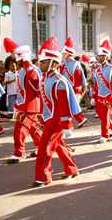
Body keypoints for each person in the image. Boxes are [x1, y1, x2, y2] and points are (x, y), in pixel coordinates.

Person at [32, 36, 79, 187]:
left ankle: (43, 177)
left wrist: (67, 126)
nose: (40, 64)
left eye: (43, 62)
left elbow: (64, 106)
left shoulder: (59, 81)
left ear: (53, 63)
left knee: (44, 149)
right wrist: (41, 120)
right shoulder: (44, 79)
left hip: (57, 121)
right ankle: (71, 169)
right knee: (58, 146)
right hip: (49, 119)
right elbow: (44, 103)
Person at [3, 38, 43, 164]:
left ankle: (19, 152)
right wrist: (16, 104)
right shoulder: (21, 70)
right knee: (34, 128)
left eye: (18, 57)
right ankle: (44, 146)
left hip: (30, 105)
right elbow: (20, 90)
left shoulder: (32, 69)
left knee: (19, 129)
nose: (15, 60)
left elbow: (35, 80)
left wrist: (26, 61)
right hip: (24, 105)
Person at [91, 40, 112, 143]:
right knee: (100, 115)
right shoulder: (97, 69)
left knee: (106, 116)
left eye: (102, 56)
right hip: (100, 96)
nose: (99, 58)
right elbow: (96, 84)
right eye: (99, 56)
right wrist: (93, 97)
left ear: (107, 57)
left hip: (108, 96)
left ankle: (105, 135)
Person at [60, 37, 87, 129]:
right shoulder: (63, 62)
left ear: (67, 54)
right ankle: (79, 120)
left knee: (69, 106)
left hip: (73, 88)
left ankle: (76, 121)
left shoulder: (75, 64)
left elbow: (78, 78)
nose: (62, 54)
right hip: (65, 87)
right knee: (68, 107)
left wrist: (78, 92)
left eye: (63, 53)